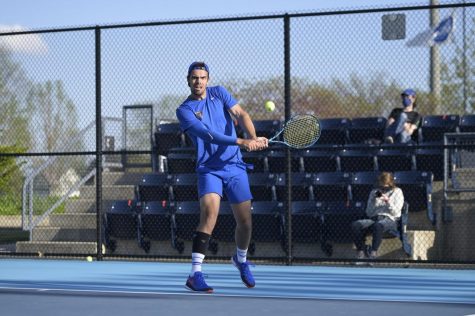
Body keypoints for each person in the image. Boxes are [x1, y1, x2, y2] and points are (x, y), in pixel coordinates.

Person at [176, 61, 268, 293]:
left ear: (208, 79)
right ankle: (195, 274)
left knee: (245, 223)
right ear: (188, 80)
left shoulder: (220, 92)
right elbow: (208, 135)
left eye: (202, 77)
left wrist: (253, 138)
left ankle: (241, 259)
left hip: (235, 166)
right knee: (209, 215)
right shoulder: (184, 110)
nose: (198, 81)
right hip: (209, 168)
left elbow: (241, 113)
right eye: (194, 78)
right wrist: (241, 141)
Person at [351, 172, 404, 263]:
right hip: (374, 218)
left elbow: (396, 212)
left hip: (390, 219)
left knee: (378, 226)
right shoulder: (374, 192)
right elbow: (369, 212)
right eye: (382, 187)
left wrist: (388, 201)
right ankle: (361, 252)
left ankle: (373, 254)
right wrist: (373, 200)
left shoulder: (397, 192)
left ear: (391, 184)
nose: (384, 189)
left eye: (386, 187)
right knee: (355, 225)